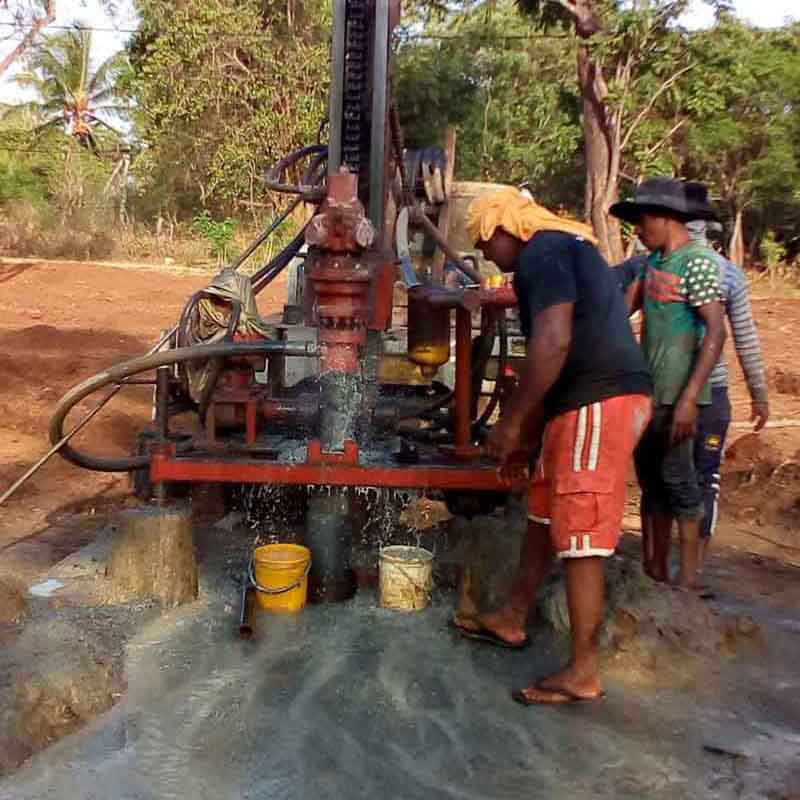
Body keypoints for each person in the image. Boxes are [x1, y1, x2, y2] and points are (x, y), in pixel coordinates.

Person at [451, 187, 652, 705]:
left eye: (483, 243)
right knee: (544, 509)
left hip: (599, 400)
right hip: (578, 400)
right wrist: (529, 438)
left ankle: (584, 671)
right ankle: (512, 617)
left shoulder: (544, 250)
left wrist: (512, 424)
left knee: (579, 526)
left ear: (502, 228)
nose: (487, 255)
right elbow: (553, 358)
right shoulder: (560, 251)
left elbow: (554, 344)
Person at [610, 177, 726, 589]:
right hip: (650, 395)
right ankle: (653, 567)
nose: (638, 231)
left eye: (642, 221)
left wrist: (690, 398)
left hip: (678, 396)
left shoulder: (698, 262)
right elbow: (622, 313)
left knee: (680, 482)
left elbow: (716, 331)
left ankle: (688, 578)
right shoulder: (652, 263)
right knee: (651, 483)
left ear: (665, 219)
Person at [685, 215, 769, 572]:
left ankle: (671, 565)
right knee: (706, 477)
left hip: (674, 391)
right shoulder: (728, 273)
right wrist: (758, 393)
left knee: (674, 477)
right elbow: (745, 338)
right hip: (711, 393)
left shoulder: (661, 266)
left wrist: (760, 392)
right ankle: (694, 567)